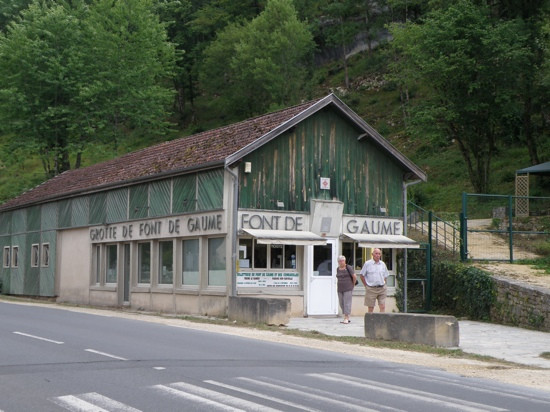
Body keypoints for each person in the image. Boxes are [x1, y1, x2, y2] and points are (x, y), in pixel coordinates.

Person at [359, 248, 389, 313]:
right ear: (372, 254)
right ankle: (370, 322)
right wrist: (366, 286)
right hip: (371, 288)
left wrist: (384, 283)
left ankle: (381, 321)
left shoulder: (383, 264)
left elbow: (385, 275)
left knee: (382, 306)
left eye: (379, 254)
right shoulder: (367, 264)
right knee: (370, 307)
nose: (377, 255)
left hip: (382, 288)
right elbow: (362, 275)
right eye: (376, 253)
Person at [336, 255, 356, 324]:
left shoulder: (348, 267)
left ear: (345, 261)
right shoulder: (338, 269)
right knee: (341, 303)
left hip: (348, 288)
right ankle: (345, 316)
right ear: (338, 262)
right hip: (340, 288)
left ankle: (346, 317)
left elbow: (354, 276)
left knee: (347, 303)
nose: (341, 262)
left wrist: (353, 285)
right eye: (340, 261)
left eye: (343, 261)